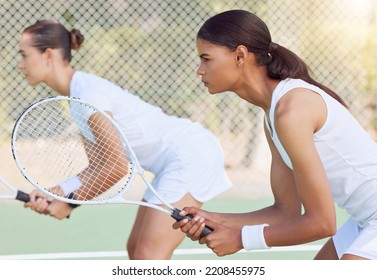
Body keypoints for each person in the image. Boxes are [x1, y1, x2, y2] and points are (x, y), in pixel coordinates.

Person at [17, 19, 232, 260]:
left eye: (24, 55)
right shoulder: (77, 97)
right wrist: (56, 192)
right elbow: (98, 166)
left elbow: (117, 167)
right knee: (136, 252)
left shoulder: (89, 95)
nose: (20, 64)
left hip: (191, 154)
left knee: (147, 256)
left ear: (48, 55)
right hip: (172, 162)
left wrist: (68, 202)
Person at [173, 9, 377, 260]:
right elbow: (286, 212)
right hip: (366, 218)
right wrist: (212, 218)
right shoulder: (272, 116)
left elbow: (322, 223)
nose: (199, 70)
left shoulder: (291, 111)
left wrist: (241, 239)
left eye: (206, 59)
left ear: (239, 56)